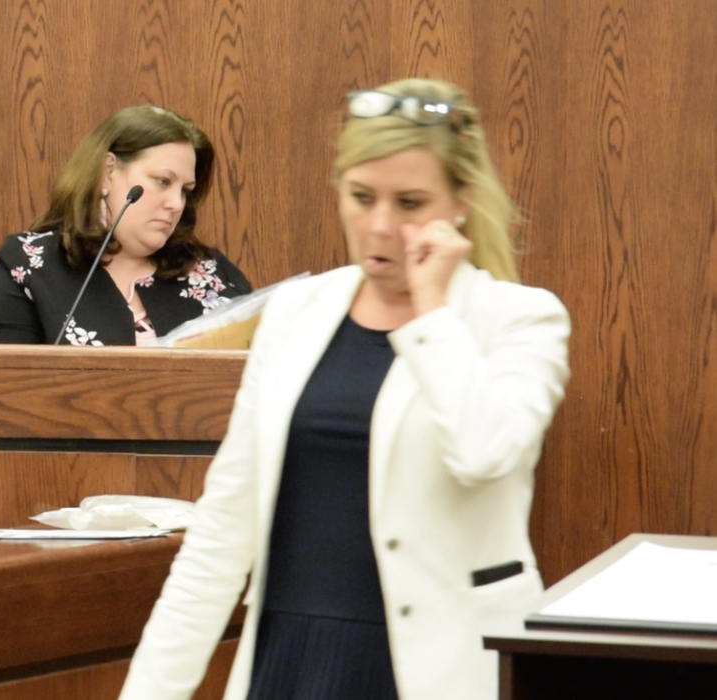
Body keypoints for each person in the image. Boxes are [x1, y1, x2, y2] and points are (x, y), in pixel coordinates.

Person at [118, 78, 570, 700]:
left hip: (433, 667)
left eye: (410, 203)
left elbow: (484, 452)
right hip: (289, 657)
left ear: (460, 202)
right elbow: (223, 530)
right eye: (362, 197)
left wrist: (433, 311)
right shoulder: (297, 311)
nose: (380, 226)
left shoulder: (517, 318)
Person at [0, 105, 251, 346]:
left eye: (185, 190)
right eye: (163, 181)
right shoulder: (29, 265)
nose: (176, 203)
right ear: (107, 172)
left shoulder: (212, 272)